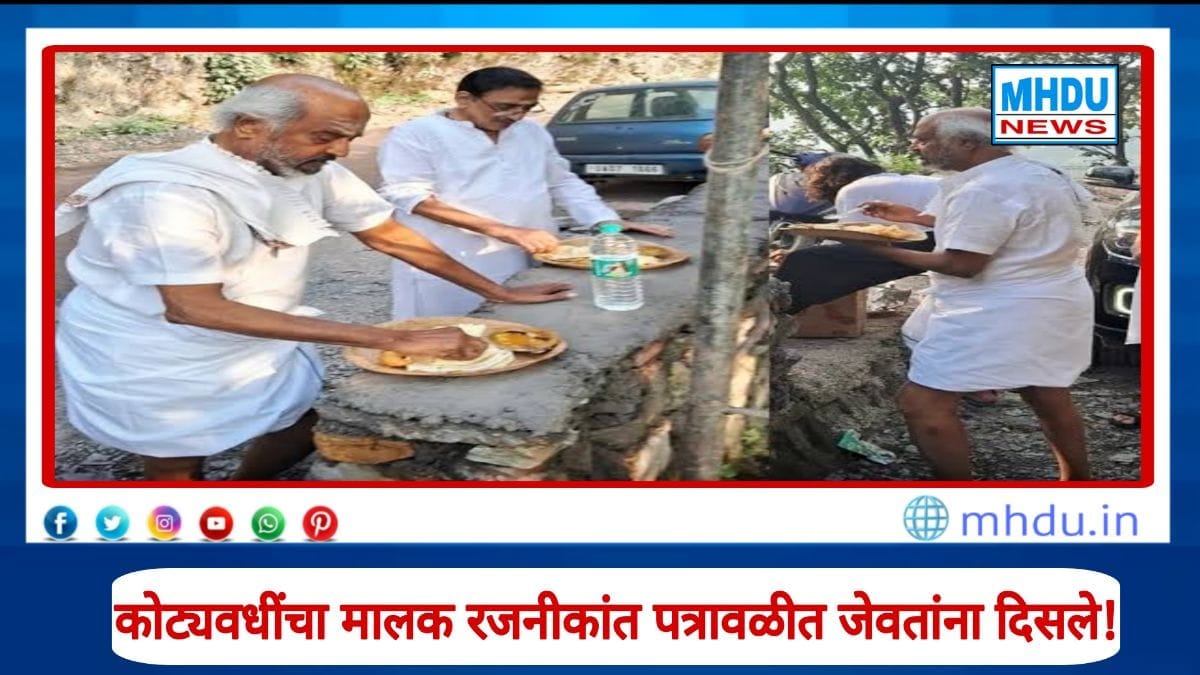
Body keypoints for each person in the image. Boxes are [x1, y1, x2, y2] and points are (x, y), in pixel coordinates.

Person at [55, 74, 574, 481]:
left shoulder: (308, 168)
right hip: (158, 350)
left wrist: (497, 291)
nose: (341, 152)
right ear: (249, 126)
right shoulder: (163, 194)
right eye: (327, 136)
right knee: (177, 453)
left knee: (304, 417)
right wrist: (391, 338)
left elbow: (388, 234)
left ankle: (242, 493)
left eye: (350, 139)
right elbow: (192, 307)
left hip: (263, 333)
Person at [856, 108, 1094, 481]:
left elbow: (962, 264)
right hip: (1052, 299)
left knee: (923, 405)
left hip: (997, 309)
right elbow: (1008, 223)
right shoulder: (1037, 173)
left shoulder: (985, 189)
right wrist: (916, 217)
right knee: (1045, 393)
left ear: (967, 142)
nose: (914, 146)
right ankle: (1078, 482)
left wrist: (873, 248)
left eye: (924, 139)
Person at [377, 66, 672, 319]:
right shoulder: (416, 134)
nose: (516, 115)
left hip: (529, 248)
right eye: (504, 107)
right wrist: (503, 230)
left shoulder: (531, 132)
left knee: (520, 325)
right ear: (464, 99)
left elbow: (562, 181)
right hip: (451, 256)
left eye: (527, 108)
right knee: (450, 330)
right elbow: (410, 196)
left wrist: (604, 220)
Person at [773, 153, 940, 310]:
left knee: (805, 261)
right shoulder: (902, 180)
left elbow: (852, 236)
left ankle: (779, 310)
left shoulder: (853, 190)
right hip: (940, 233)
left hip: (935, 240)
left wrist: (798, 254)